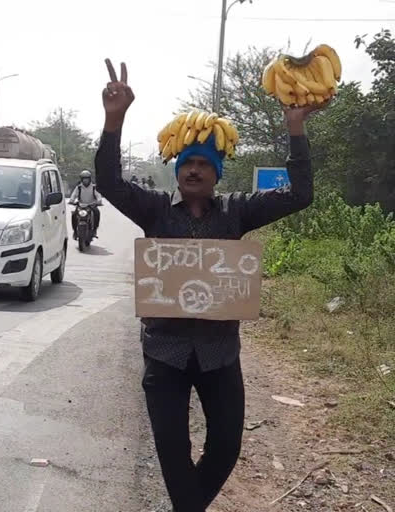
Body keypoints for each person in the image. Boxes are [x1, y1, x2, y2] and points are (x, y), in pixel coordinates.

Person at [95, 58, 323, 512]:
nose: (195, 170)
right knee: (173, 456)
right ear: (178, 170)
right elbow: (108, 182)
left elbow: (300, 195)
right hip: (165, 354)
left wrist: (295, 128)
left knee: (225, 448)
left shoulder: (238, 211)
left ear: (217, 173)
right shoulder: (154, 209)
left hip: (220, 354)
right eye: (188, 163)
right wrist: (114, 119)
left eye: (205, 164)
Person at [69, 169, 102, 239]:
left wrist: (99, 201)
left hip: (91, 205)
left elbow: (98, 195)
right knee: (74, 215)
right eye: (84, 179)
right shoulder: (79, 187)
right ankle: (75, 231)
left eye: (87, 179)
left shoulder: (93, 187)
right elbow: (73, 195)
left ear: (89, 179)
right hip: (81, 206)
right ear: (81, 179)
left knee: (97, 213)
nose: (85, 180)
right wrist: (72, 201)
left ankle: (94, 230)